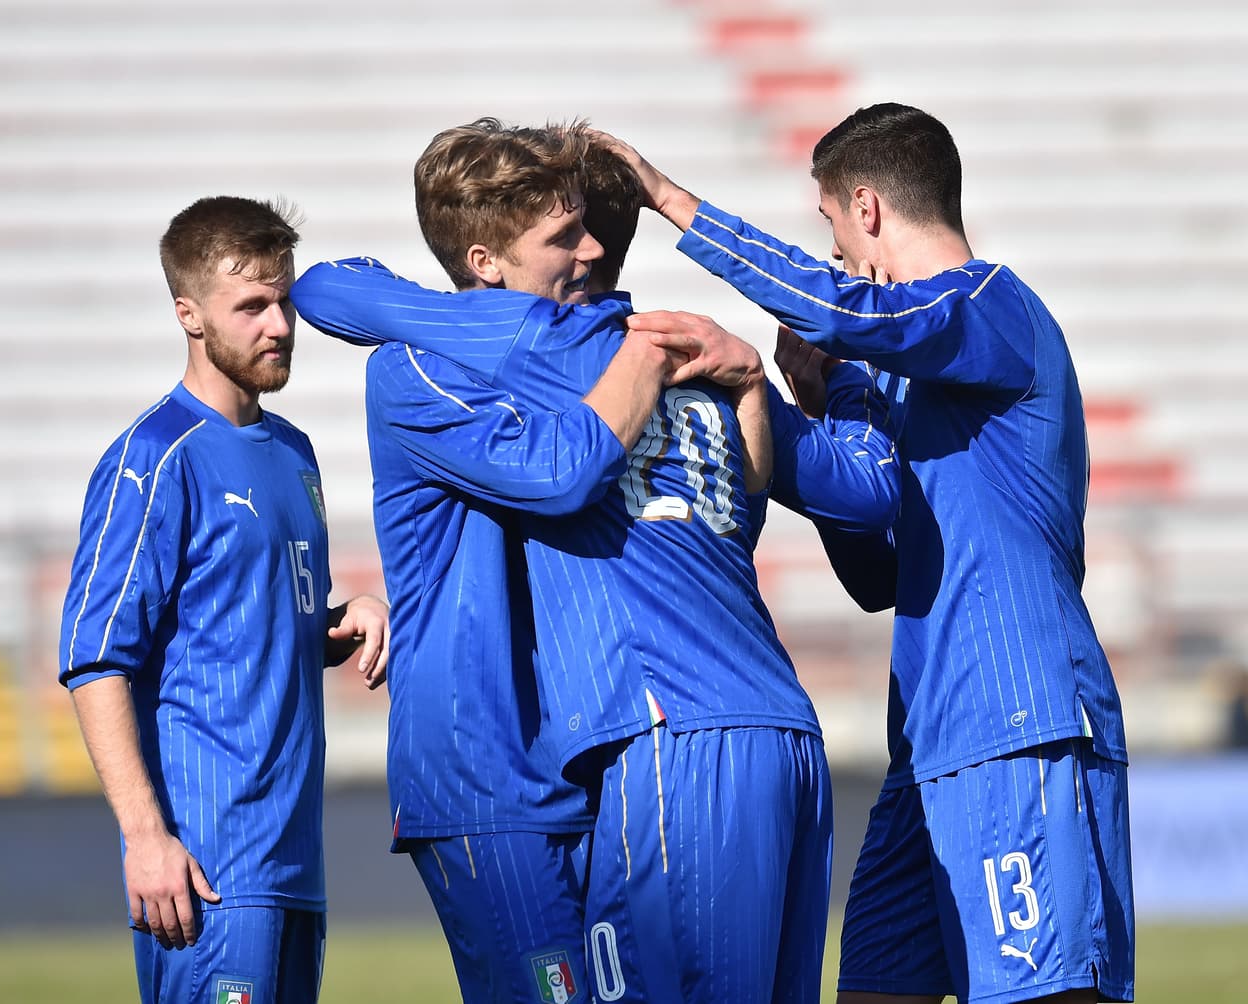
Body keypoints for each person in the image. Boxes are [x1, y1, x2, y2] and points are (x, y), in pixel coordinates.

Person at [291, 119, 900, 1003]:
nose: (590, 248)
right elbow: (861, 495)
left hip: (654, 744)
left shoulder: (561, 347)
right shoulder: (688, 352)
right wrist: (814, 382)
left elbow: (328, 288)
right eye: (564, 234)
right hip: (536, 766)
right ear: (487, 261)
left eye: (585, 226)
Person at [600, 103, 1135, 1004]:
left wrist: (668, 200)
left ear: (867, 207)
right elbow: (876, 572)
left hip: (1019, 723)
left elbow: (841, 309)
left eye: (831, 224)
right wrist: (805, 400)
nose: (836, 250)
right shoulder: (911, 371)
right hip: (929, 745)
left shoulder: (989, 306)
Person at [58, 196, 389, 1004]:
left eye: (284, 302)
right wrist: (146, 838)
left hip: (294, 863)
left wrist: (341, 622)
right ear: (190, 315)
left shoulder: (295, 453)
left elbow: (252, 627)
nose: (279, 325)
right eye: (251, 307)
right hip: (206, 868)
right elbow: (95, 660)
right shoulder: (152, 458)